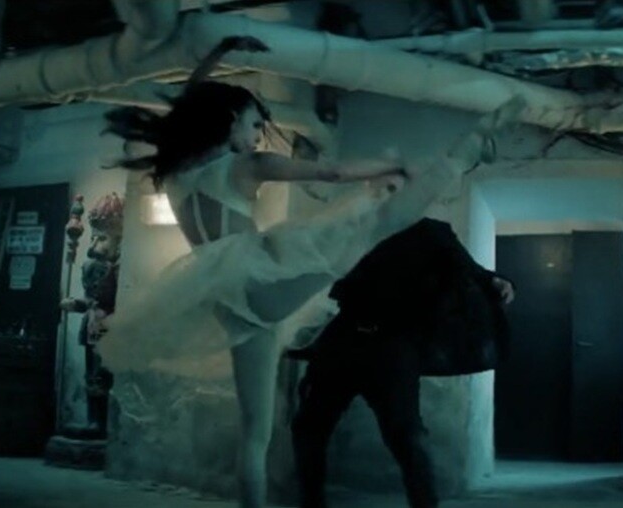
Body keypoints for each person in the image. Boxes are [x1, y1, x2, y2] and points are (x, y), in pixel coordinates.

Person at [95, 35, 527, 508]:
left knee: (255, 432)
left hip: (219, 291)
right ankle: (466, 149)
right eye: (254, 124)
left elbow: (187, 105)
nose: (256, 136)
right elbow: (331, 173)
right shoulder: (246, 165)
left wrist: (217, 54)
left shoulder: (176, 171)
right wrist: (392, 165)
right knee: (374, 225)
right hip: (256, 278)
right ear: (229, 120)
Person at [287, 218, 515, 508]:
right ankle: (311, 502)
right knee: (311, 426)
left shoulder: (428, 231)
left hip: (391, 347)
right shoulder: (362, 221)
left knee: (405, 434)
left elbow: (467, 268)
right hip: (346, 338)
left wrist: (496, 281)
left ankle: (424, 503)